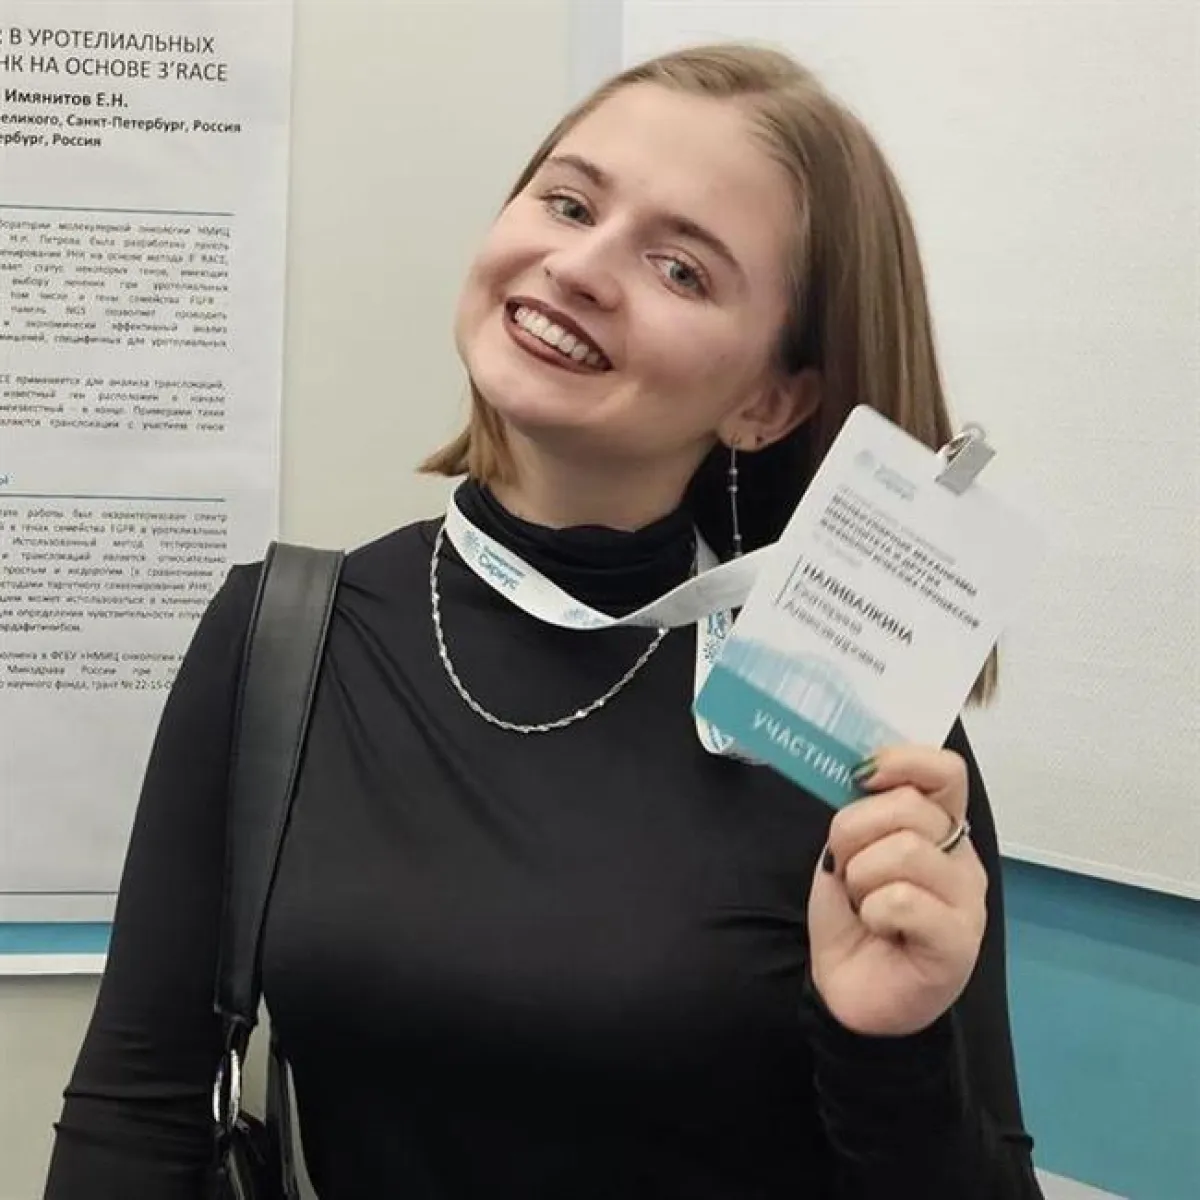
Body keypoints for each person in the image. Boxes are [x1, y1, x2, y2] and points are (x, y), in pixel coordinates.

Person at [44, 42, 1045, 1200]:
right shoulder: (282, 638)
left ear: (770, 402)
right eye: (569, 203)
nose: (580, 267)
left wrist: (894, 1054)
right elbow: (136, 1111)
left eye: (680, 269)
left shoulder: (857, 719)